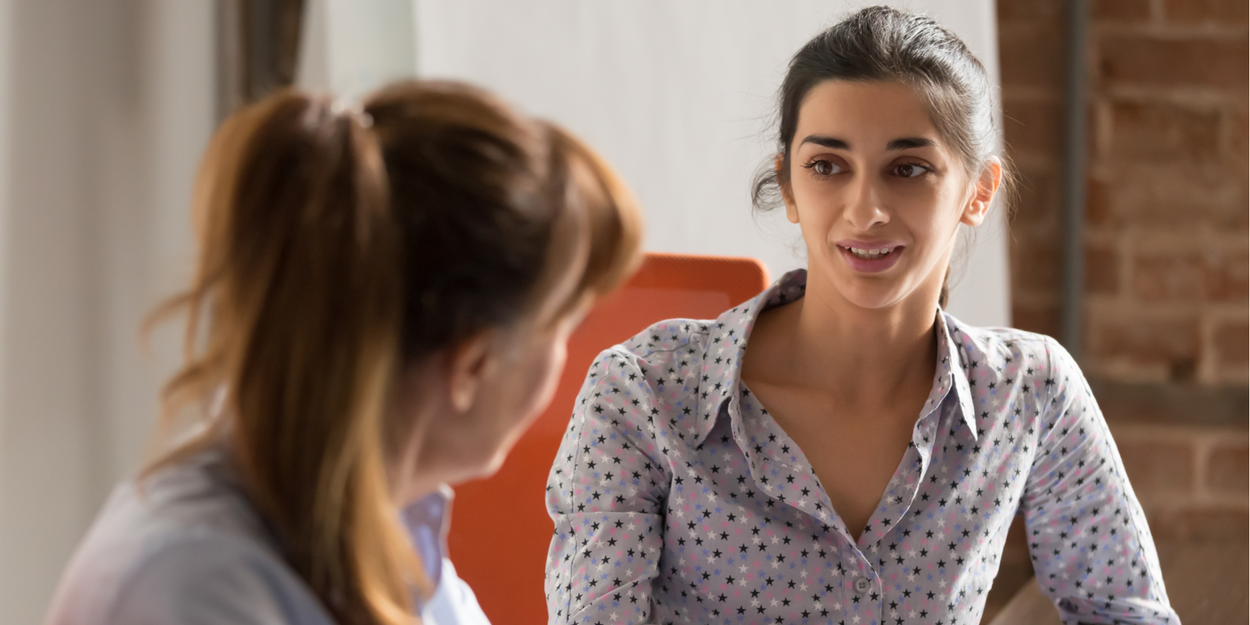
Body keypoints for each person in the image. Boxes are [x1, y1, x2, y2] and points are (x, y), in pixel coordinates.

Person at [544, 6, 1179, 625]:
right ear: (788, 187)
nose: (865, 209)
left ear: (978, 191)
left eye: (908, 169)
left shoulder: (1029, 390)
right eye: (827, 166)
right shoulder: (643, 394)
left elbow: (1126, 613)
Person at [45, 79, 642, 625]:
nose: (568, 359)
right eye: (563, 324)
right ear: (473, 364)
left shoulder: (390, 533)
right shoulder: (191, 590)